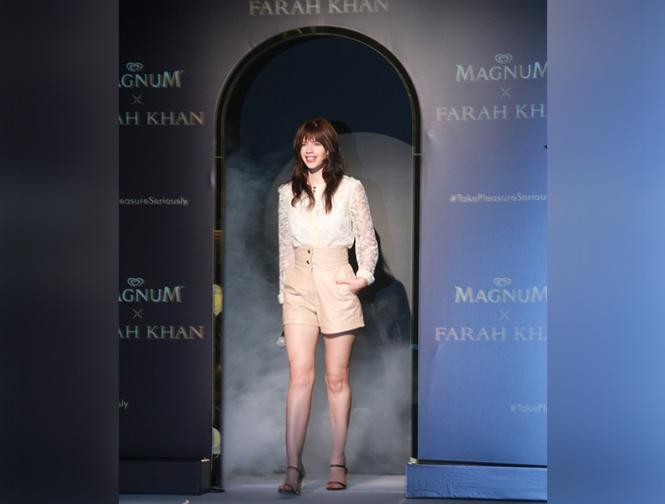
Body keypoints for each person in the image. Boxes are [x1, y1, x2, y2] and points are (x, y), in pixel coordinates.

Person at [276, 118, 379, 495]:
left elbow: (367, 239)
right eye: (304, 142)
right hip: (298, 284)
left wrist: (361, 277)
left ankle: (338, 461)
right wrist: (285, 295)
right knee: (299, 375)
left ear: (329, 148)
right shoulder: (287, 192)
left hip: (336, 279)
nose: (310, 149)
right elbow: (285, 248)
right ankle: (293, 467)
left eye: (317, 142)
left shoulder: (351, 188)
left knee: (336, 377)